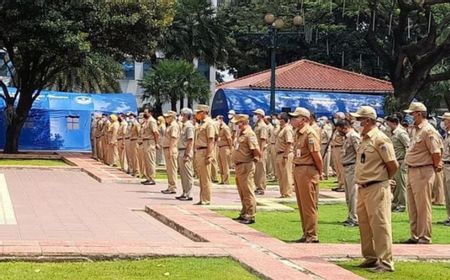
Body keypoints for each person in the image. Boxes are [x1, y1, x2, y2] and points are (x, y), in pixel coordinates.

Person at [350, 106, 398, 273]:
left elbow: (392, 165)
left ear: (368, 120)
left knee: (380, 224)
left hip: (376, 186)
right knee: (364, 224)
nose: (357, 123)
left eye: (359, 119)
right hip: (363, 187)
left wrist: (383, 180)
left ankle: (385, 262)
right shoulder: (364, 139)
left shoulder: (380, 139)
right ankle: (370, 258)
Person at [403, 102, 442, 244]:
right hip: (412, 169)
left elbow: (436, 152)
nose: (410, 117)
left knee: (423, 206)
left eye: (412, 114)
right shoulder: (416, 130)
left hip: (423, 170)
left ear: (419, 113)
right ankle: (415, 235)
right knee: (412, 206)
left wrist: (436, 165)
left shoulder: (428, 130)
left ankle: (424, 236)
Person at [289, 107, 322, 243]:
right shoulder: (298, 133)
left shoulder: (309, 134)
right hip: (299, 169)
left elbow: (317, 156)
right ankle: (306, 232)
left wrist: (319, 172)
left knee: (308, 204)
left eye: (296, 117)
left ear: (303, 119)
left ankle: (312, 235)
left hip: (307, 170)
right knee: (302, 204)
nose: (293, 119)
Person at [231, 114, 261, 224]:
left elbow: (256, 150)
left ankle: (251, 214)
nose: (236, 125)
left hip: (246, 165)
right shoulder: (241, 133)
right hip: (239, 165)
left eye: (237, 123)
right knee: (241, 190)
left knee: (248, 190)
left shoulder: (249, 134)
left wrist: (254, 159)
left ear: (243, 122)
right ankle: (244, 212)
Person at [336, 120, 360, 227]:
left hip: (353, 167)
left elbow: (359, 153)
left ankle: (355, 218)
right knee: (348, 195)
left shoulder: (354, 136)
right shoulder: (347, 137)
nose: (339, 132)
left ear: (344, 127)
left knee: (353, 194)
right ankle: (350, 216)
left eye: (339, 130)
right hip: (347, 167)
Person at [385, 115, 410, 212]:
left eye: (388, 124)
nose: (387, 126)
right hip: (394, 161)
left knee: (401, 184)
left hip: (401, 161)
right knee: (395, 185)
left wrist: (406, 161)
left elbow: (408, 146)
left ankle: (402, 205)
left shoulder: (401, 133)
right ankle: (395, 203)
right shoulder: (392, 133)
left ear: (394, 123)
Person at [194, 104, 215, 205]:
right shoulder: (202, 123)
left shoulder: (209, 124)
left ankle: (206, 199)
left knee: (206, 177)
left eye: (198, 112)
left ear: (204, 112)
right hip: (199, 151)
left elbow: (211, 140)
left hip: (204, 151)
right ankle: (202, 198)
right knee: (201, 177)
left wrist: (209, 155)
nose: (197, 114)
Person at [176, 108, 195, 201]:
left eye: (182, 114)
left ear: (186, 116)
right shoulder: (183, 126)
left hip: (185, 151)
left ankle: (189, 193)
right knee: (182, 174)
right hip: (181, 151)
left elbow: (190, 141)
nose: (180, 116)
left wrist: (187, 154)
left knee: (187, 173)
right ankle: (184, 192)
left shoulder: (189, 126)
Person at [274, 112, 294, 198]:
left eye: (281, 120)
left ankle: (288, 193)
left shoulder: (287, 129)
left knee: (286, 174)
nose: (279, 121)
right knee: (281, 175)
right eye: (279, 120)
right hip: (279, 153)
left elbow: (288, 143)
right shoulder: (280, 129)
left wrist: (285, 155)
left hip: (285, 153)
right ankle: (283, 192)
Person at [161, 111, 180, 194]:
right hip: (167, 148)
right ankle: (170, 185)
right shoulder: (170, 126)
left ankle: (173, 187)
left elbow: (173, 138)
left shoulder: (174, 126)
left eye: (167, 117)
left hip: (171, 148)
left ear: (172, 117)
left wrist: (171, 150)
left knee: (172, 169)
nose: (166, 119)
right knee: (169, 169)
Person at [438, 112, 450, 226]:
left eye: (444, 120)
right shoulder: (446, 134)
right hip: (445, 165)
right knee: (446, 193)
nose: (443, 122)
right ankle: (449, 216)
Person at [140, 111, 159, 185]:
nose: (145, 113)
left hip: (150, 142)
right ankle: (148, 177)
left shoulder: (152, 121)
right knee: (146, 161)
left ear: (150, 113)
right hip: (145, 141)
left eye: (146, 112)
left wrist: (156, 143)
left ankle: (152, 178)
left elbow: (156, 133)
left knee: (150, 161)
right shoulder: (147, 121)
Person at [253, 109, 269, 195]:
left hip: (261, 150)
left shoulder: (262, 126)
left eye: (256, 114)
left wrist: (261, 152)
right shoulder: (257, 125)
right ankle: (257, 186)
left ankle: (261, 187)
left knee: (261, 169)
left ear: (260, 115)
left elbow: (263, 140)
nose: (255, 116)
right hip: (256, 150)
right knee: (257, 170)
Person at [331, 112, 346, 192]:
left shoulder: (343, 127)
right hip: (335, 148)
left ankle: (344, 185)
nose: (335, 118)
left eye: (336, 117)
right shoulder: (335, 127)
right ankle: (340, 183)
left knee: (341, 168)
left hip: (340, 148)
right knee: (337, 167)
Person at [217, 115, 232, 184]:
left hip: (225, 147)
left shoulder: (225, 128)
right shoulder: (219, 128)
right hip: (219, 147)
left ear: (221, 119)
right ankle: (222, 180)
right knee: (220, 165)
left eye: (218, 119)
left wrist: (231, 148)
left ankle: (226, 181)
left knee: (225, 165)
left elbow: (229, 138)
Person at [125, 112, 140, 176]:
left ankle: (137, 171)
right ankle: (133, 169)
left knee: (135, 157)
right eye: (129, 117)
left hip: (135, 141)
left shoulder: (136, 124)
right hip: (131, 140)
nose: (130, 118)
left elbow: (139, 133)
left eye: (131, 117)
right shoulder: (130, 125)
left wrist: (139, 142)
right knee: (131, 156)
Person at [264, 116, 275, 180]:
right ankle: (268, 173)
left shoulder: (270, 127)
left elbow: (271, 136)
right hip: (266, 144)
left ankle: (270, 173)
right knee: (267, 159)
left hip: (269, 144)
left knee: (269, 160)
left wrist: (269, 144)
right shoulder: (266, 126)